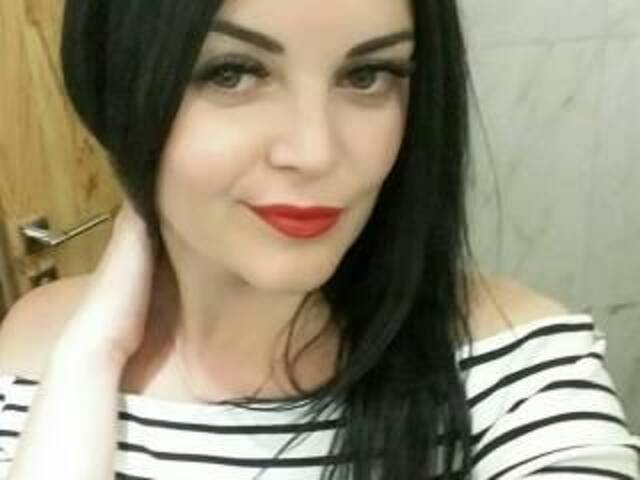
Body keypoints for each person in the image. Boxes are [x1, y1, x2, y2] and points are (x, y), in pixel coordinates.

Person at [0, 0, 638, 478]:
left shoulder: (516, 369)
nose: (315, 153)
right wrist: (91, 356)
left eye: (367, 75)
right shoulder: (40, 343)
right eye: (232, 72)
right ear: (117, 88)